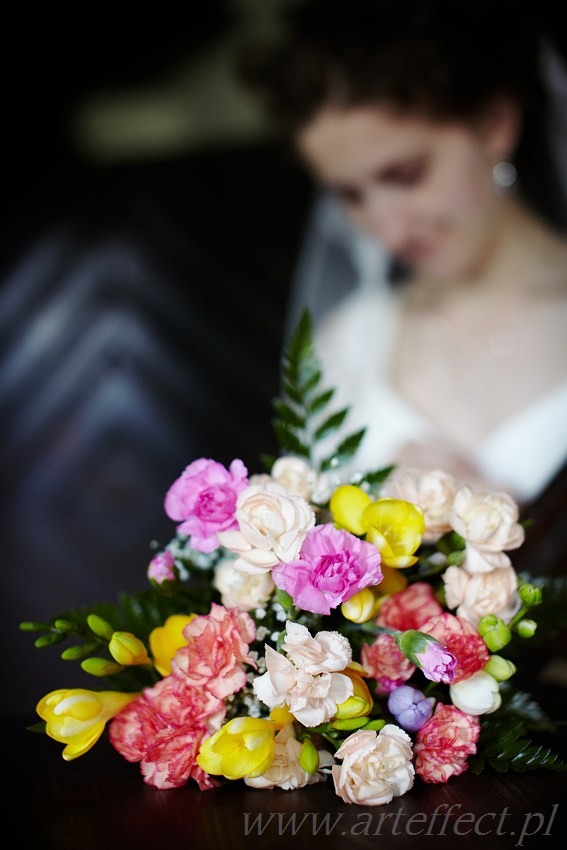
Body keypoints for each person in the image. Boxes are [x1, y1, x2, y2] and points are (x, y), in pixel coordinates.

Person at [239, 0, 567, 508]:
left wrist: (509, 532)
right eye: (350, 195)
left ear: (493, 126)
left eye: (405, 175)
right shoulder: (345, 347)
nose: (387, 230)